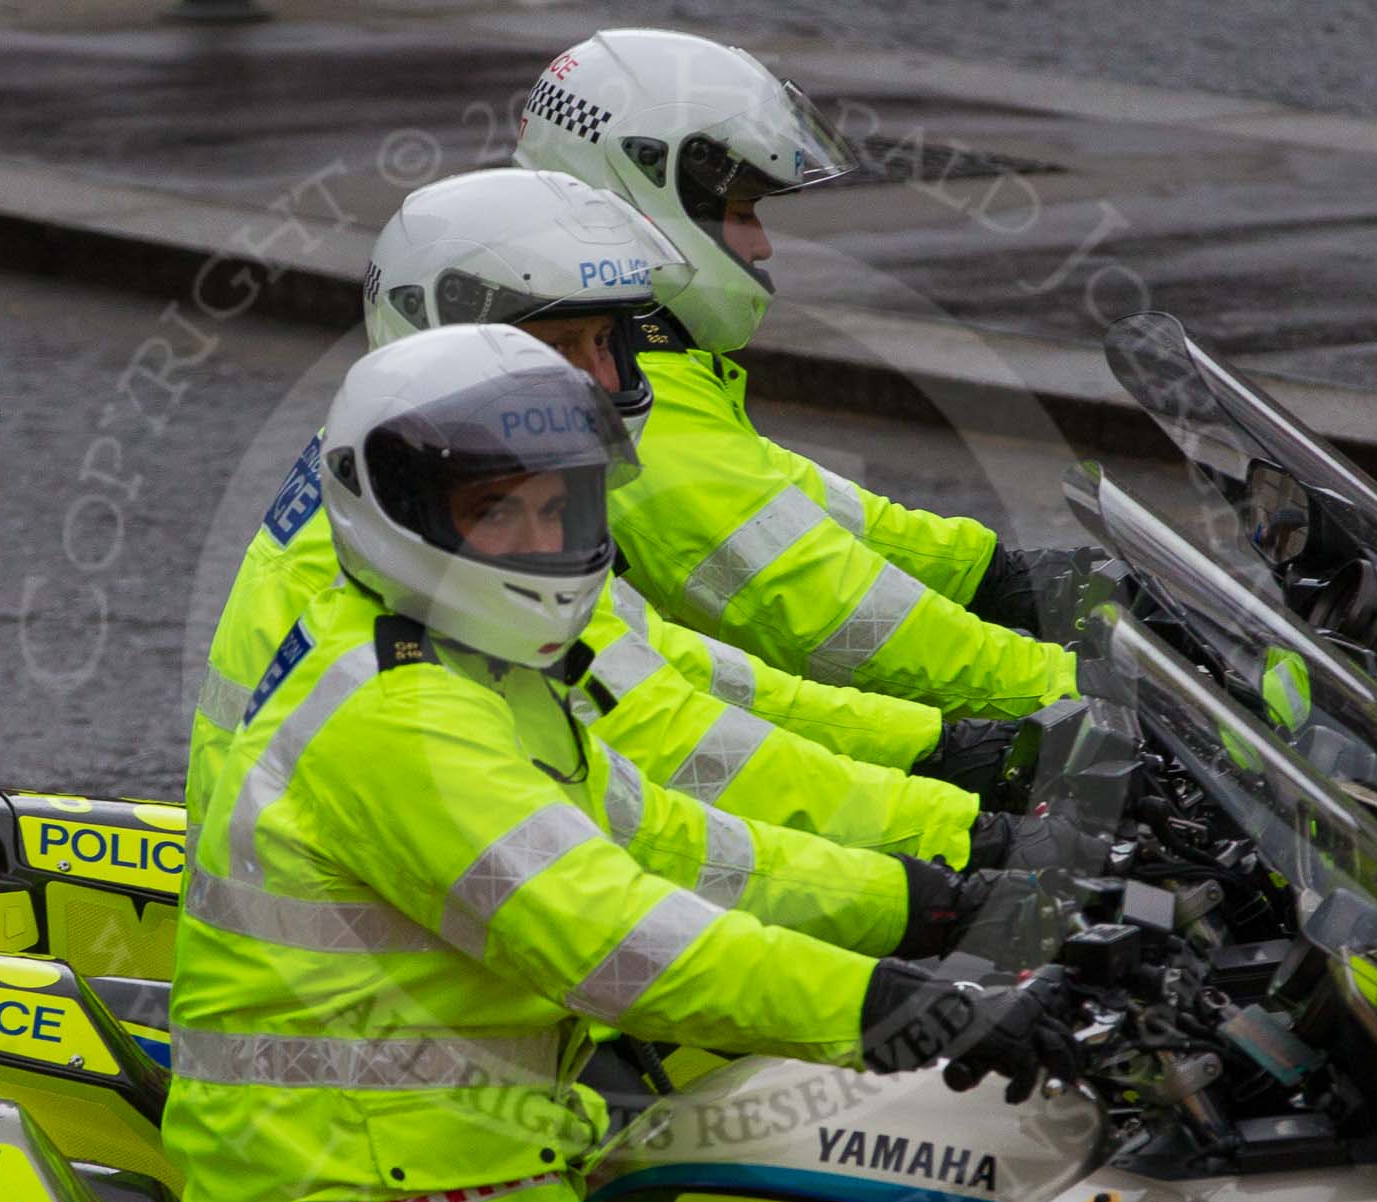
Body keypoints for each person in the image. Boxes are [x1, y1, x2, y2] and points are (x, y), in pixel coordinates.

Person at [161, 324, 1083, 1202]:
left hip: (467, 1154)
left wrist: (939, 895)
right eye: (494, 510)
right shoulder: (400, 718)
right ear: (397, 511)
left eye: (560, 507)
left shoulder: (486, 669)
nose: (538, 541)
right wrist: (903, 1006)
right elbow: (614, 937)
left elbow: (686, 846)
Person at [186, 170, 1097, 915]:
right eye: (563, 344)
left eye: (604, 341)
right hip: (421, 1045)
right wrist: (959, 823)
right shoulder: (435, 536)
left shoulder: (421, 484)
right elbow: (678, 744)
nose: (596, 377)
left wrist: (960, 749)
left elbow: (683, 676)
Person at [513, 29, 1092, 721]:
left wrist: (998, 576)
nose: (761, 245)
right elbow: (823, 606)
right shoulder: (626, 394)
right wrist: (1072, 686)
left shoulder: (637, 356)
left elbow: (805, 505)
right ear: (643, 183)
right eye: (741, 211)